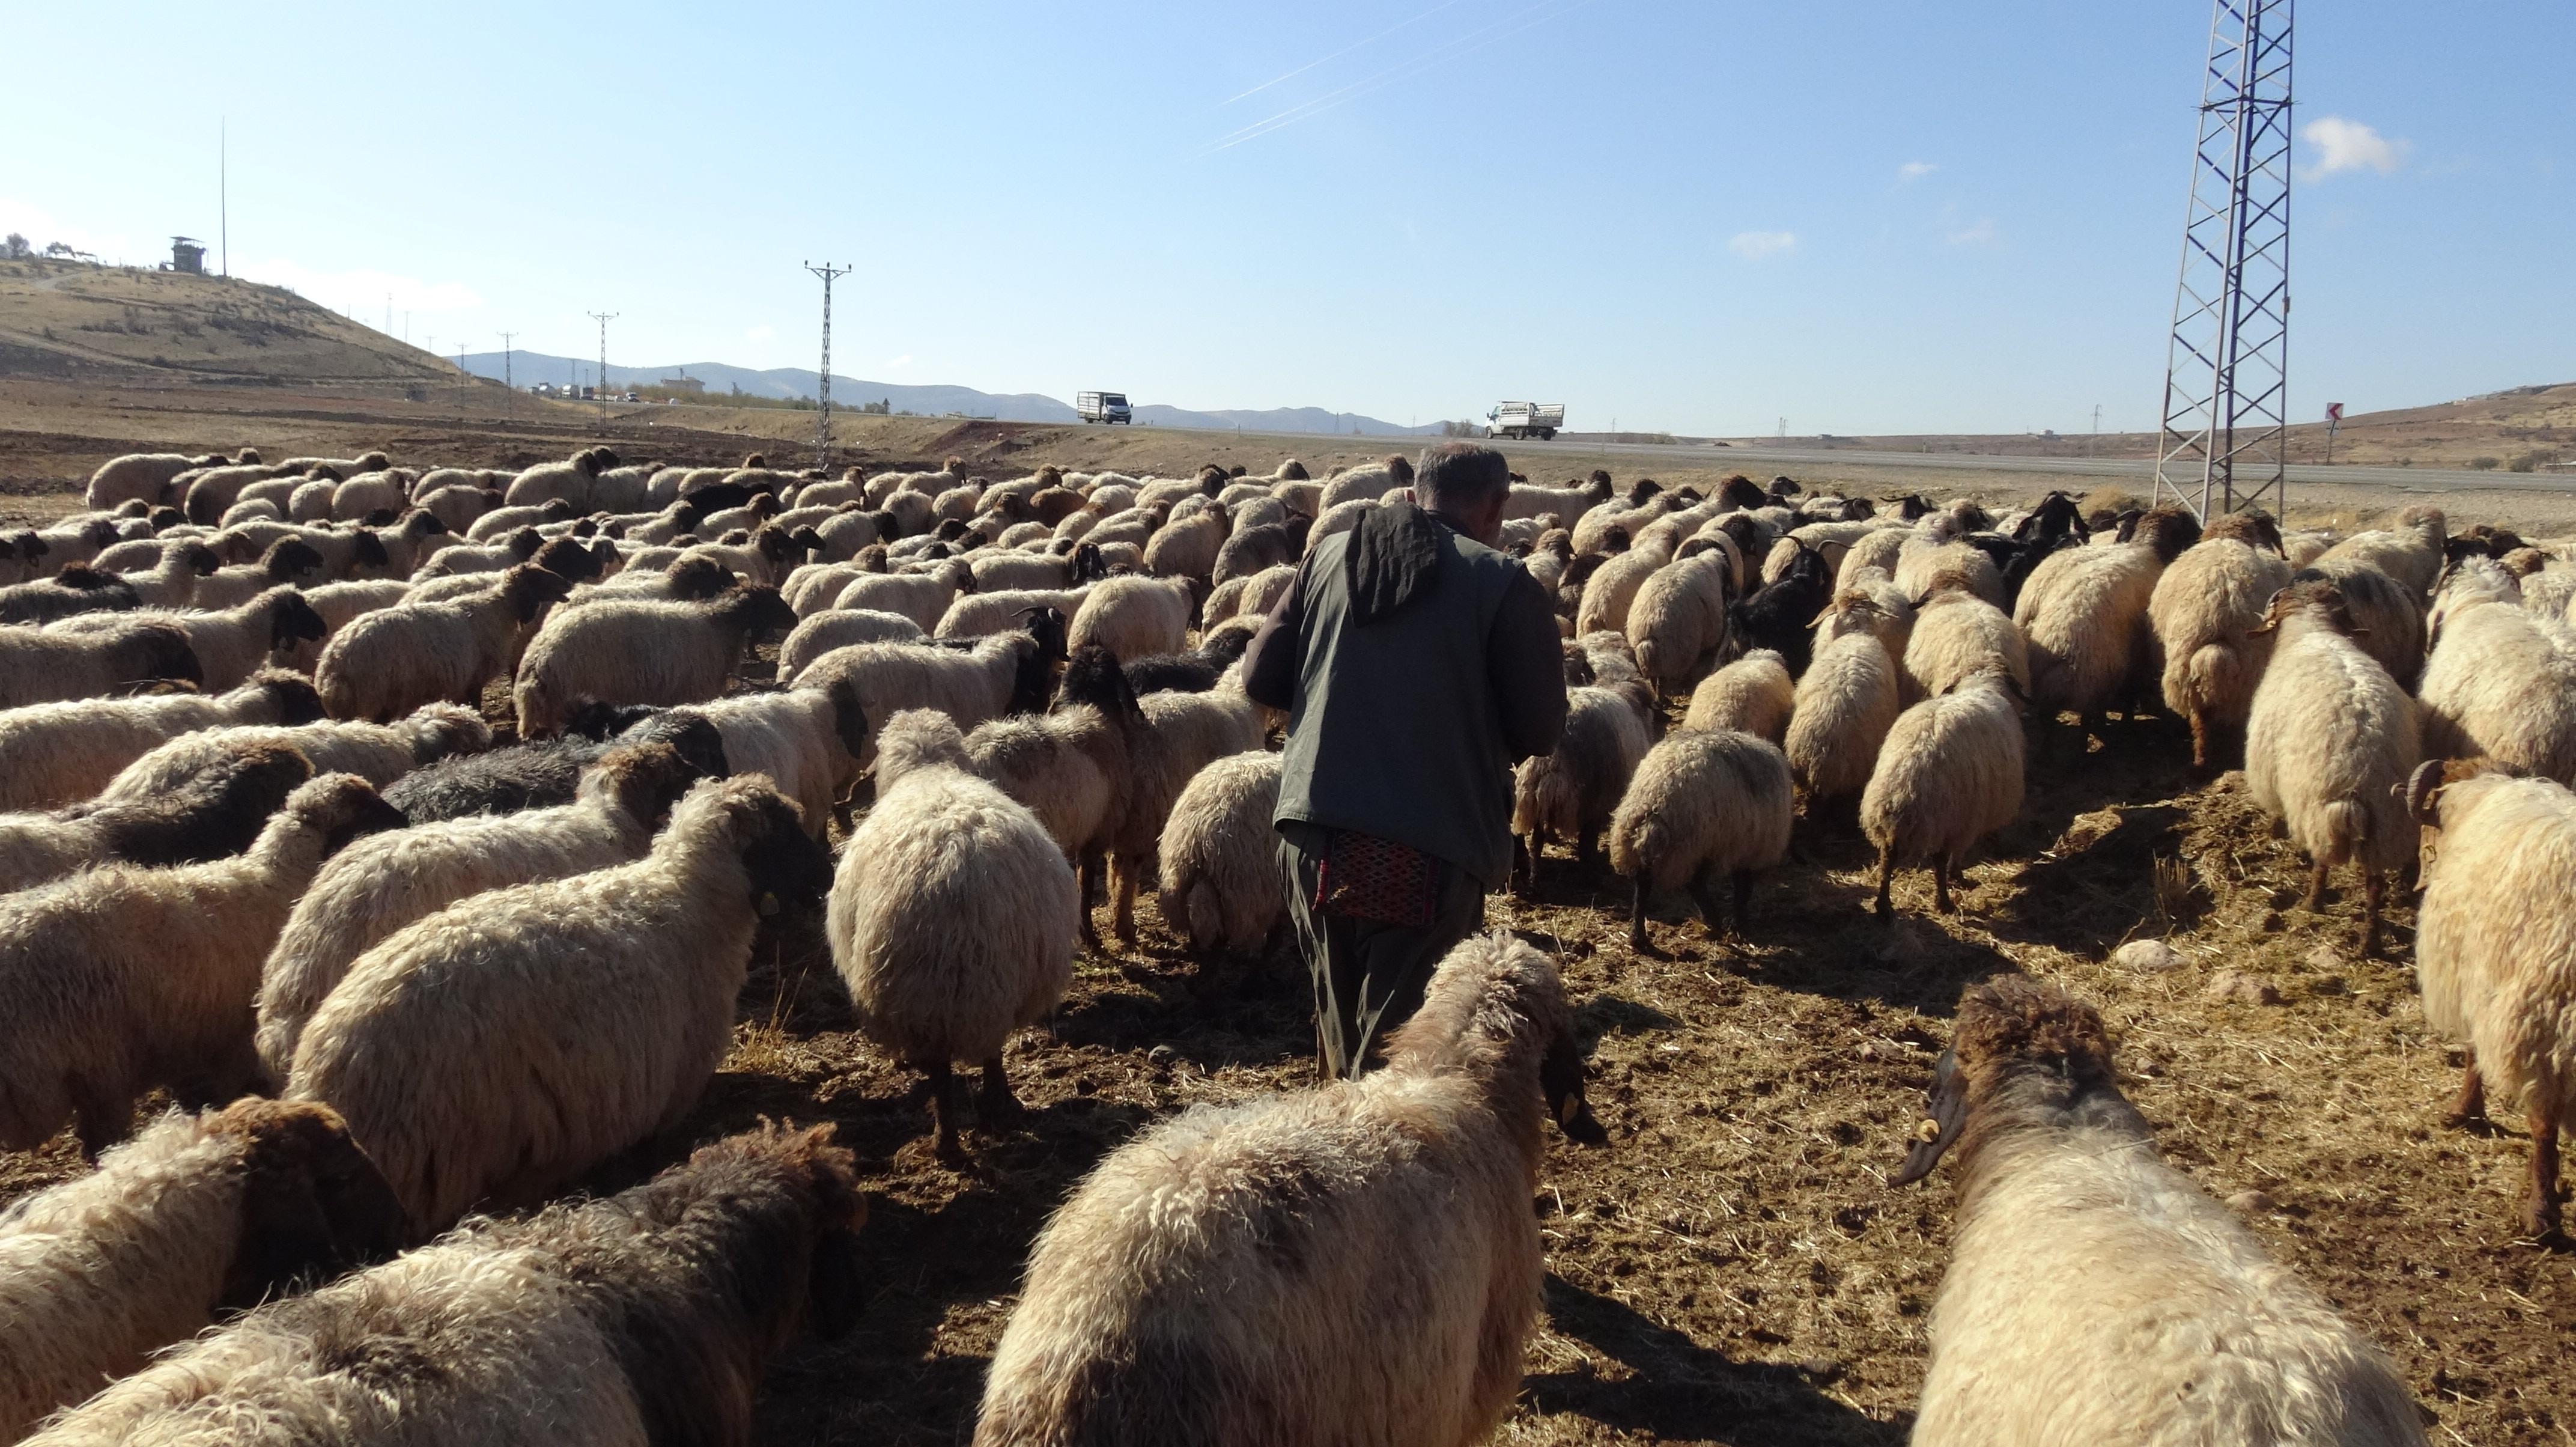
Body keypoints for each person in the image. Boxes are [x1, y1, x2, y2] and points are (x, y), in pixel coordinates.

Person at [1244, 442, 1567, 1079]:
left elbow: (1260, 677)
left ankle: (1334, 1147)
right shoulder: (1502, 584)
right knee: (1399, 1068)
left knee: (1339, 1030)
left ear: (1416, 494)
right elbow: (1539, 727)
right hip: (1422, 851)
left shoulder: (1328, 555)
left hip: (1312, 836)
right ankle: (1367, 1165)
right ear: (1497, 505)